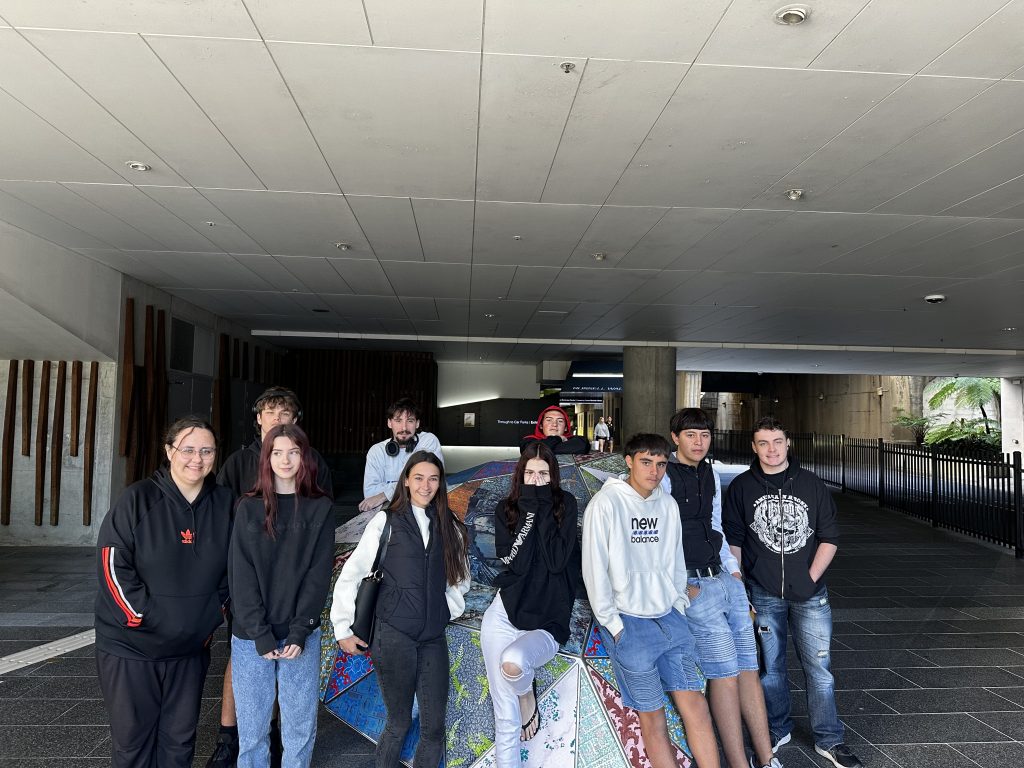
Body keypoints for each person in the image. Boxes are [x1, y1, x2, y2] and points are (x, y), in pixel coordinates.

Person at [723, 418, 862, 768]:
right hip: (763, 592)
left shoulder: (812, 484)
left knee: (820, 668)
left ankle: (829, 739)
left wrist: (809, 579)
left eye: (777, 441)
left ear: (788, 443)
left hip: (811, 594)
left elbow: (829, 537)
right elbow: (734, 539)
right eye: (763, 443)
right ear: (753, 447)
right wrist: (740, 585)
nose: (771, 449)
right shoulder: (741, 487)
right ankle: (777, 728)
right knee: (771, 668)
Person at [95, 417, 233, 768]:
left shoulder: (226, 504)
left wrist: (209, 616)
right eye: (188, 449)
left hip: (189, 650)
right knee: (133, 744)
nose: (197, 459)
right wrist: (144, 617)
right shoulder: (138, 499)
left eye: (206, 451)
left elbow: (236, 570)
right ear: (169, 451)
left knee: (179, 743)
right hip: (132, 648)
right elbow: (113, 565)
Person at [209, 386, 333, 768]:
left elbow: (318, 573)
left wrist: (300, 629)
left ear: (304, 456)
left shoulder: (319, 508)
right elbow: (241, 572)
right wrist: (259, 632)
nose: (285, 459)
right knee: (252, 731)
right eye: (277, 453)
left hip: (300, 633)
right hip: (252, 635)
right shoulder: (247, 507)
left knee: (299, 728)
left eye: (293, 452)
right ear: (266, 457)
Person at [582, 433, 719, 768]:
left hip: (669, 618)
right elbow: (594, 568)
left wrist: (678, 604)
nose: (654, 471)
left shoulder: (667, 504)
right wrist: (614, 626)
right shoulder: (606, 504)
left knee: (697, 706)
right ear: (629, 461)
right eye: (646, 462)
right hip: (629, 623)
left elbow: (675, 560)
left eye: (660, 464)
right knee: (653, 716)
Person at [332, 451, 471, 768]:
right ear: (406, 481)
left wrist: (446, 608)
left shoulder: (449, 525)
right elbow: (352, 574)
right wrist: (342, 628)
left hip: (432, 639)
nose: (426, 485)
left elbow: (461, 577)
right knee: (399, 723)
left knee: (434, 729)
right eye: (418, 478)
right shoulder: (386, 521)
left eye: (433, 479)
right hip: (393, 636)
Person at [663, 409, 779, 768]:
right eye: (690, 435)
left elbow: (716, 525)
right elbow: (657, 538)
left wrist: (735, 574)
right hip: (693, 583)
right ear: (675, 438)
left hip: (724, 580)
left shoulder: (709, 472)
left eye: (704, 435)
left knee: (748, 669)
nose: (699, 442)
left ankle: (767, 759)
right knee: (724, 675)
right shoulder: (663, 475)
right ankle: (738, 763)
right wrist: (680, 587)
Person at [481, 442, 579, 766]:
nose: (536, 480)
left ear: (553, 477)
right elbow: (516, 562)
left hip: (548, 617)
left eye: (543, 474)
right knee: (504, 715)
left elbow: (556, 561)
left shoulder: (565, 504)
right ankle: (521, 704)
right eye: (530, 474)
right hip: (505, 611)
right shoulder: (507, 509)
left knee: (513, 662)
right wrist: (529, 509)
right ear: (520, 475)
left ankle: (526, 695)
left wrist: (541, 505)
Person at [359, 398, 444, 513]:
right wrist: (410, 483)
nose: (404, 428)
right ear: (389, 423)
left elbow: (429, 483)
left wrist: (385, 494)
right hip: (390, 513)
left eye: (410, 421)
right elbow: (370, 494)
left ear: (417, 424)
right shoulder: (377, 451)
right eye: (398, 421)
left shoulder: (428, 441)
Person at [519, 405, 588, 455]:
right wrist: (559, 438)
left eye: (560, 421)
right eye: (549, 420)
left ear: (566, 428)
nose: (554, 424)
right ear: (541, 425)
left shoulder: (578, 440)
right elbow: (531, 451)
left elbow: (582, 446)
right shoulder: (528, 441)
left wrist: (541, 449)